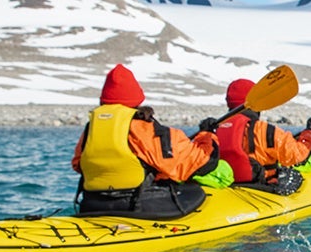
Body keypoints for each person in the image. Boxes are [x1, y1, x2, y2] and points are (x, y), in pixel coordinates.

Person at [71, 64, 221, 218]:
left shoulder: (91, 128)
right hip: (137, 206)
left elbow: (78, 164)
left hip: (91, 204)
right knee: (194, 191)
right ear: (136, 99)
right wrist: (207, 134)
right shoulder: (145, 128)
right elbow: (202, 162)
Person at [205, 78, 311, 192]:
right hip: (260, 186)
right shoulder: (264, 130)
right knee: (292, 176)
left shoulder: (213, 129)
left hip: (228, 184)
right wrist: (310, 132)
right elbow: (297, 156)